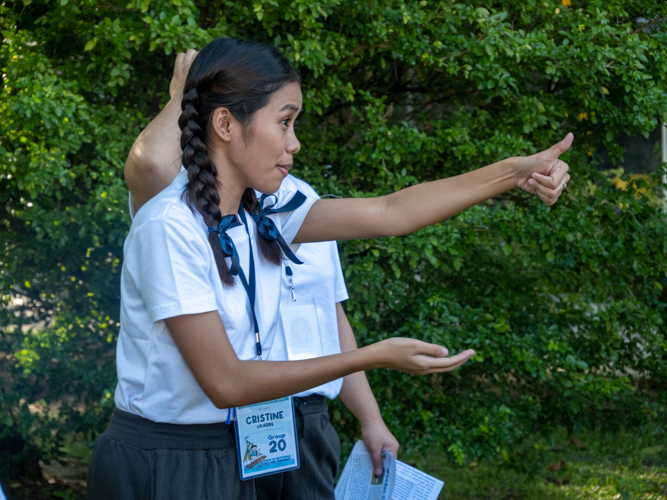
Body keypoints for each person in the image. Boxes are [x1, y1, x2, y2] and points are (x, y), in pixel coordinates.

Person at [87, 37, 571, 500]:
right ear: (226, 124)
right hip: (165, 461)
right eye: (285, 122)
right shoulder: (170, 224)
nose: (294, 143)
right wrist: (371, 356)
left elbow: (389, 213)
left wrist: (512, 173)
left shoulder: (263, 209)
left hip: (229, 452)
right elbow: (227, 383)